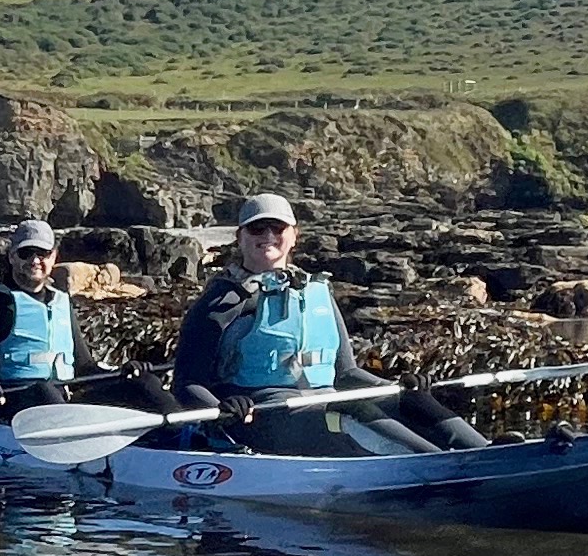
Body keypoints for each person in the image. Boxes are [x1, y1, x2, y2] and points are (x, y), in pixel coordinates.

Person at [167, 194, 488, 457]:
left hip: (320, 403)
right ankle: (441, 466)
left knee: (410, 399)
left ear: (294, 235)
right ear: (239, 237)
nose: (267, 236)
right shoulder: (221, 300)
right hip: (262, 416)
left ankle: (483, 452)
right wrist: (221, 408)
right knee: (350, 412)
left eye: (277, 227)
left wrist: (395, 388)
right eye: (256, 229)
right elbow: (186, 382)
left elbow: (346, 373)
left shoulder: (316, 291)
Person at [0, 218, 141, 419]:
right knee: (44, 391)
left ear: (54, 257)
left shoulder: (62, 303)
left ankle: (160, 434)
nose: (34, 261)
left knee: (143, 382)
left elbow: (84, 367)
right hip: (10, 401)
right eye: (26, 253)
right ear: (12, 257)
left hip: (61, 401)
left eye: (42, 253)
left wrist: (123, 373)